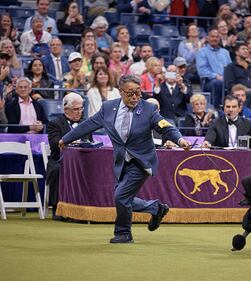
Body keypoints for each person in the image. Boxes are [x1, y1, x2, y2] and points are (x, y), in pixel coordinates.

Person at [59, 75, 190, 243]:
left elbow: (166, 127)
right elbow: (88, 125)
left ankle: (123, 234)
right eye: (130, 93)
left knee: (121, 197)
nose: (135, 97)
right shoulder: (108, 108)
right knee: (123, 199)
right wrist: (66, 139)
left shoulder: (149, 109)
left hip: (142, 161)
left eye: (138, 92)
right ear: (120, 92)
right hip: (121, 162)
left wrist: (180, 140)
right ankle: (156, 208)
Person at [46, 92, 93, 220]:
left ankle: (88, 208)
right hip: (59, 161)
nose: (79, 112)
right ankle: (58, 209)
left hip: (82, 162)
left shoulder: (86, 123)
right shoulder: (54, 123)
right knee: (57, 170)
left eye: (81, 109)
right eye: (75, 109)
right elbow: (55, 144)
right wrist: (70, 141)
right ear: (66, 109)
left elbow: (90, 143)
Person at [196, 29, 232, 106]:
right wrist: (216, 76)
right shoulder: (202, 52)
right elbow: (202, 71)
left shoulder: (225, 52)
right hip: (210, 81)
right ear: (208, 38)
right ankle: (216, 109)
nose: (215, 39)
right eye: (212, 36)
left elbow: (230, 68)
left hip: (226, 80)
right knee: (218, 83)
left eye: (217, 37)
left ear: (219, 39)